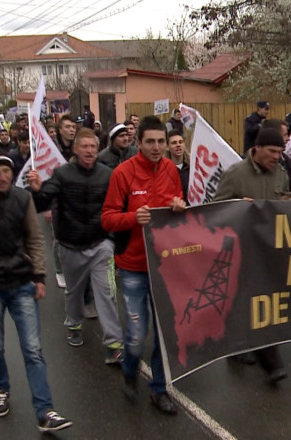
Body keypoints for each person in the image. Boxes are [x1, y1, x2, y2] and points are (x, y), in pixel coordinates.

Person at [0, 152, 72, 432]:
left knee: (33, 349)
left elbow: (35, 238)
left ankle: (45, 410)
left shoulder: (22, 199)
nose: (4, 176)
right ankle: (0, 389)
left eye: (7, 171)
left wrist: (39, 276)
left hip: (21, 284)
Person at [101, 115, 185, 415]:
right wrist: (132, 218)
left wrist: (179, 206)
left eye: (161, 141)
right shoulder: (122, 173)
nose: (157, 147)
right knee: (136, 336)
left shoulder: (170, 170)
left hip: (164, 265)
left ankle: (158, 389)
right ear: (138, 143)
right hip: (133, 266)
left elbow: (179, 205)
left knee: (164, 333)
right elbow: (107, 218)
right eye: (150, 142)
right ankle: (129, 369)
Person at [27, 128, 124, 363]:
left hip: (100, 245)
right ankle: (73, 324)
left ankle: (114, 344)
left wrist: (113, 240)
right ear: (75, 149)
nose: (90, 151)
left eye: (93, 146)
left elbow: (118, 205)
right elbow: (42, 203)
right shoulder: (62, 174)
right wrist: (37, 190)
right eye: (85, 146)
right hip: (70, 246)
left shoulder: (107, 175)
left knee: (106, 293)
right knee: (74, 292)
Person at [212, 128, 291, 382]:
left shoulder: (281, 173)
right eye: (272, 151)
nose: (277, 156)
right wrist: (238, 208)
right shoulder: (235, 174)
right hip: (241, 249)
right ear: (256, 149)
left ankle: (245, 345)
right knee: (251, 299)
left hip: (270, 247)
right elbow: (215, 211)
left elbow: (287, 203)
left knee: (263, 300)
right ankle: (270, 361)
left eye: (280, 152)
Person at [165, 130, 189, 201]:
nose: (178, 145)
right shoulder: (164, 169)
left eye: (180, 142)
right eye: (174, 143)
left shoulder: (193, 167)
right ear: (167, 147)